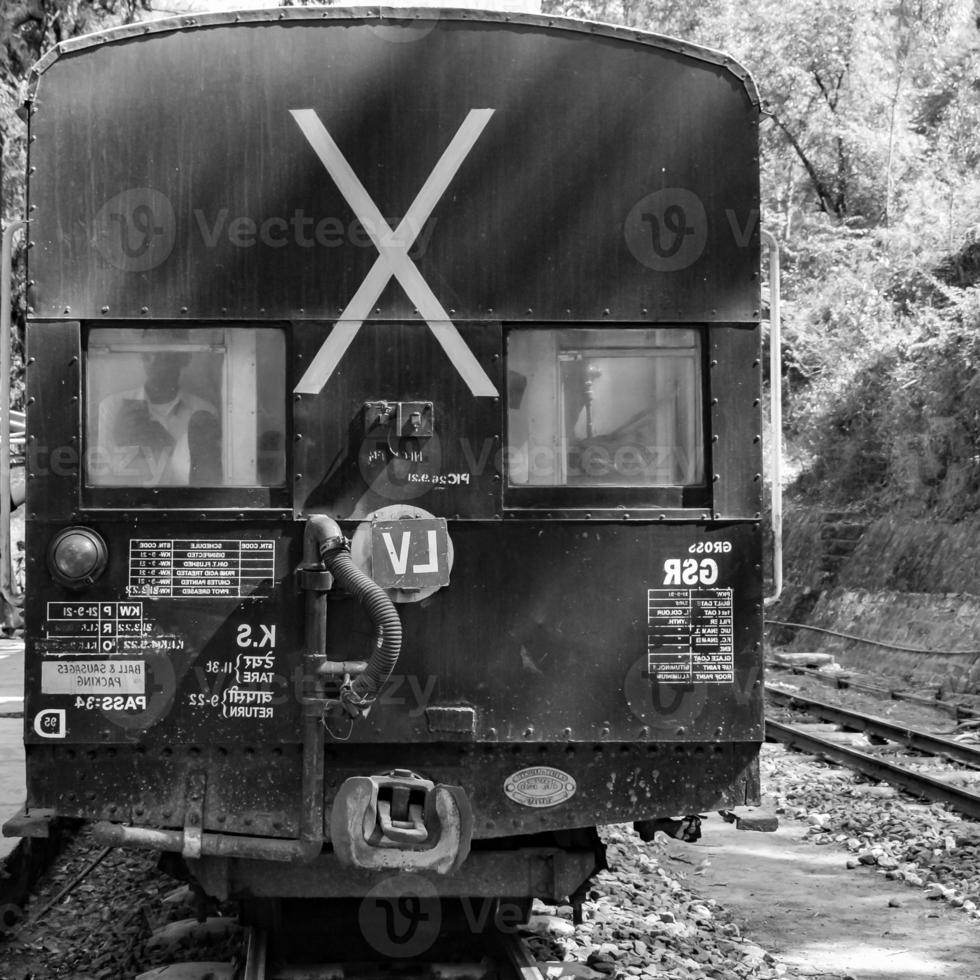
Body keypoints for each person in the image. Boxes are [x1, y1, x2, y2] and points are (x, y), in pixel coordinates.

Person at [95, 345, 221, 486]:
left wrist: (164, 442)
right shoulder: (113, 406)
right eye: (148, 354)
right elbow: (101, 476)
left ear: (185, 358)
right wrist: (117, 441)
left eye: (166, 355)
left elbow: (209, 481)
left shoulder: (204, 412)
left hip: (184, 503)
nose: (156, 361)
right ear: (142, 357)